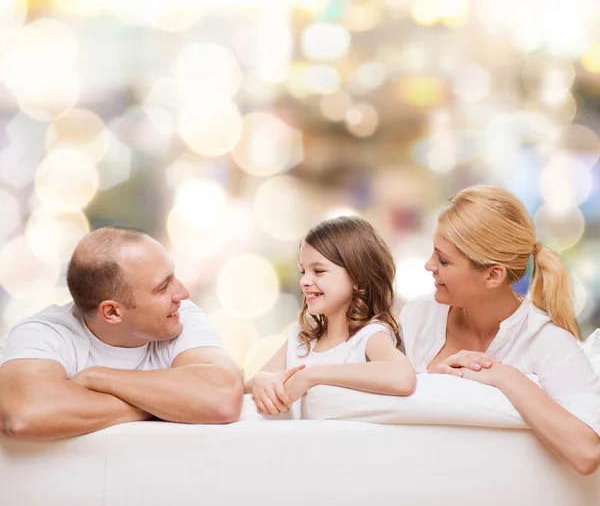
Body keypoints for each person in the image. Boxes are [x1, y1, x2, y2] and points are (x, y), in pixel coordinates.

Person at [400, 185, 600, 475]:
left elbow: (587, 453)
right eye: (434, 253)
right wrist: (435, 382)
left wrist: (503, 375)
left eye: (443, 260)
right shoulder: (419, 316)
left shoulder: (547, 341)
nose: (429, 265)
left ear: (493, 275)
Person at [0, 227, 243, 441]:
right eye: (162, 287)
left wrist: (99, 378)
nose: (183, 293)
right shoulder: (44, 333)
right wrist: (166, 407)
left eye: (174, 276)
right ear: (113, 312)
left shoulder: (179, 316)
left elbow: (223, 398)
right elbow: (23, 415)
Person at [245, 216, 416, 418]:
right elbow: (245, 392)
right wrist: (260, 380)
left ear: (357, 278)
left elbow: (404, 377)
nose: (304, 281)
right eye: (303, 271)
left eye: (318, 271)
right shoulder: (299, 341)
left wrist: (311, 375)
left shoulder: (369, 336)